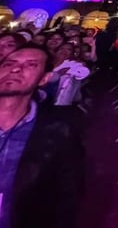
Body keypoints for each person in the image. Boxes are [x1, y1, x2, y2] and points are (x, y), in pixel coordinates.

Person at [0, 45, 85, 228]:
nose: (15, 69)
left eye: (31, 65)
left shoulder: (58, 132)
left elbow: (66, 200)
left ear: (44, 78)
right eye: (9, 63)